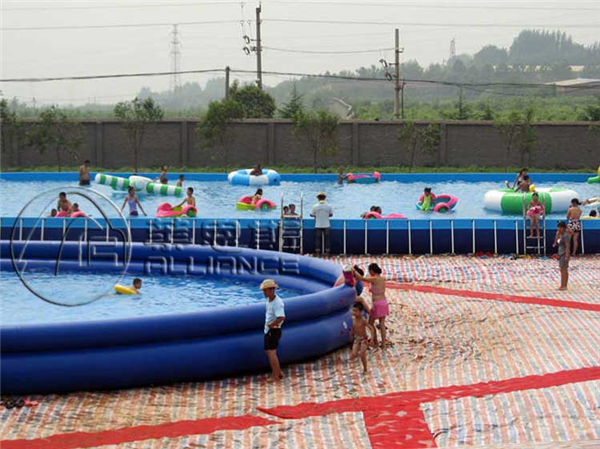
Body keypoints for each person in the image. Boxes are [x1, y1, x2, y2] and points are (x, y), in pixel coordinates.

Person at [354, 263, 389, 349]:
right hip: (384, 302)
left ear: (372, 271)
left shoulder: (374, 279)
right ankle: (383, 344)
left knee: (370, 323)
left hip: (377, 304)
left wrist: (354, 271)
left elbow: (361, 278)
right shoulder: (383, 278)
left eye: (369, 271)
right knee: (382, 324)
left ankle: (375, 342)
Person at [261, 279, 285, 382]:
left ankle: (276, 375)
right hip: (269, 330)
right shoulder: (269, 300)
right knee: (269, 351)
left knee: (271, 353)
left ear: (271, 290)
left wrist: (272, 325)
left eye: (265, 290)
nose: (263, 292)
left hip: (273, 330)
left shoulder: (277, 303)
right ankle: (278, 372)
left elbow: (281, 317)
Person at [349, 303, 375, 374]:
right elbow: (353, 328)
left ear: (360, 312)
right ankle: (353, 364)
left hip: (364, 339)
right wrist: (350, 335)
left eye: (355, 311)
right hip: (357, 339)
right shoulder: (353, 319)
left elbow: (371, 328)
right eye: (353, 310)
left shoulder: (363, 320)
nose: (353, 312)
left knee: (362, 354)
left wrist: (372, 339)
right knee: (354, 353)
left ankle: (365, 369)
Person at [553, 222, 572, 291]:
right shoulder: (560, 235)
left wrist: (567, 256)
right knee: (562, 269)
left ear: (563, 228)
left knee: (564, 270)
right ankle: (563, 284)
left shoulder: (566, 235)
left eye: (560, 228)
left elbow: (567, 246)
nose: (559, 229)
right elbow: (556, 243)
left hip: (564, 254)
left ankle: (564, 285)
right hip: (561, 253)